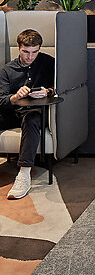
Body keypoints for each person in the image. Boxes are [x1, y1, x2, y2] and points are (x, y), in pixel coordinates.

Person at [0, 29, 55, 199]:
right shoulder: (7, 70)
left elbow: (63, 87)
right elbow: (1, 100)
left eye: (34, 52)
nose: (30, 57)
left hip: (35, 113)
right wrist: (15, 97)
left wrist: (48, 91)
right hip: (12, 112)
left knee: (31, 119)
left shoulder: (48, 63)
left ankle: (23, 175)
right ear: (18, 47)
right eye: (25, 52)